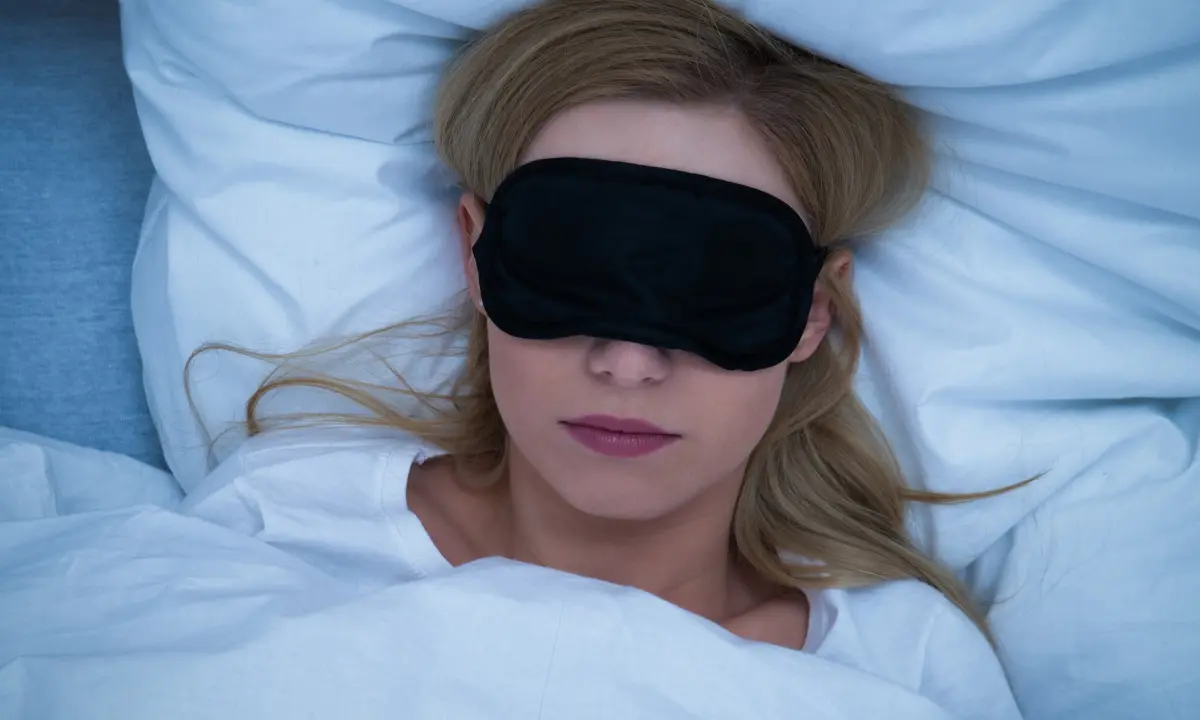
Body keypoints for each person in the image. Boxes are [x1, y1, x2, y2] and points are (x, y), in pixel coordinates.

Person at [186, 0, 1023, 715]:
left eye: (717, 281)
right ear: (476, 256)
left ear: (812, 313)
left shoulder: (903, 669)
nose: (627, 366)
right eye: (569, 263)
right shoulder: (281, 526)